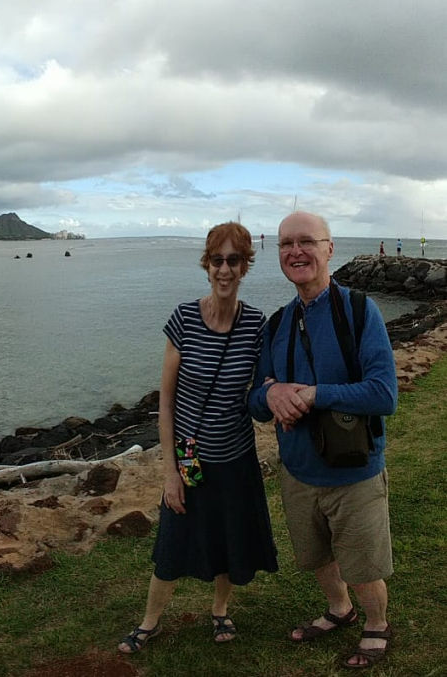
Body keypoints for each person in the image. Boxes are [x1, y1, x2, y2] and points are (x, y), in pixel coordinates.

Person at [118, 222, 278, 654]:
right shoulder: (184, 318)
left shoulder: (256, 326)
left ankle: (220, 611)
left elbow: (262, 391)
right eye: (217, 260)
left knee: (228, 540)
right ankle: (148, 623)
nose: (224, 270)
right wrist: (169, 471)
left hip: (237, 456)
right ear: (206, 265)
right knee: (172, 545)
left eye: (234, 261)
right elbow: (165, 402)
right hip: (190, 459)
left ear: (245, 266)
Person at [248, 211, 398, 670]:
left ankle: (376, 623)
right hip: (298, 469)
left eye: (307, 241)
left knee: (363, 562)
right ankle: (340, 609)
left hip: (354, 469)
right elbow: (254, 402)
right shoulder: (274, 325)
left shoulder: (357, 310)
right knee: (316, 555)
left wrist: (314, 395)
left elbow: (384, 393)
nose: (296, 251)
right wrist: (271, 392)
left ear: (329, 248)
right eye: (286, 244)